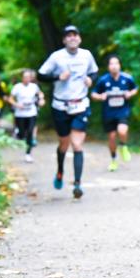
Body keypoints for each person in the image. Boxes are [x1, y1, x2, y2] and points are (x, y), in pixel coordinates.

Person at [37, 24, 98, 199]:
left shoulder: (86, 55)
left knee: (77, 144)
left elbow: (94, 72)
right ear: (64, 40)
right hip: (60, 106)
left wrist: (90, 79)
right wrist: (57, 77)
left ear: (79, 38)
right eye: (68, 36)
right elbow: (40, 75)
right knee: (64, 144)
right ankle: (60, 171)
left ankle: (77, 184)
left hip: (80, 105)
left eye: (75, 35)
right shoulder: (56, 57)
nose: (72, 38)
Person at [91, 55, 138, 171]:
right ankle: (113, 160)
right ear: (108, 67)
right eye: (111, 64)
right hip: (108, 113)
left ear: (120, 65)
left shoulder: (127, 78)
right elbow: (93, 94)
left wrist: (130, 94)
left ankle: (123, 146)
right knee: (111, 137)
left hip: (122, 111)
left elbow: (135, 88)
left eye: (116, 63)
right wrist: (100, 96)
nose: (114, 66)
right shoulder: (103, 80)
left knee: (122, 130)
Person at [8, 69, 45, 163]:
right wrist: (16, 105)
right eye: (25, 77)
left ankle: (28, 154)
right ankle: (18, 133)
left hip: (31, 112)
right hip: (20, 113)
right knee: (22, 134)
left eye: (29, 77)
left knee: (30, 132)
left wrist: (41, 99)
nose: (27, 79)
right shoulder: (17, 87)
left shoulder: (34, 86)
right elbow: (10, 99)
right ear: (22, 78)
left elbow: (40, 94)